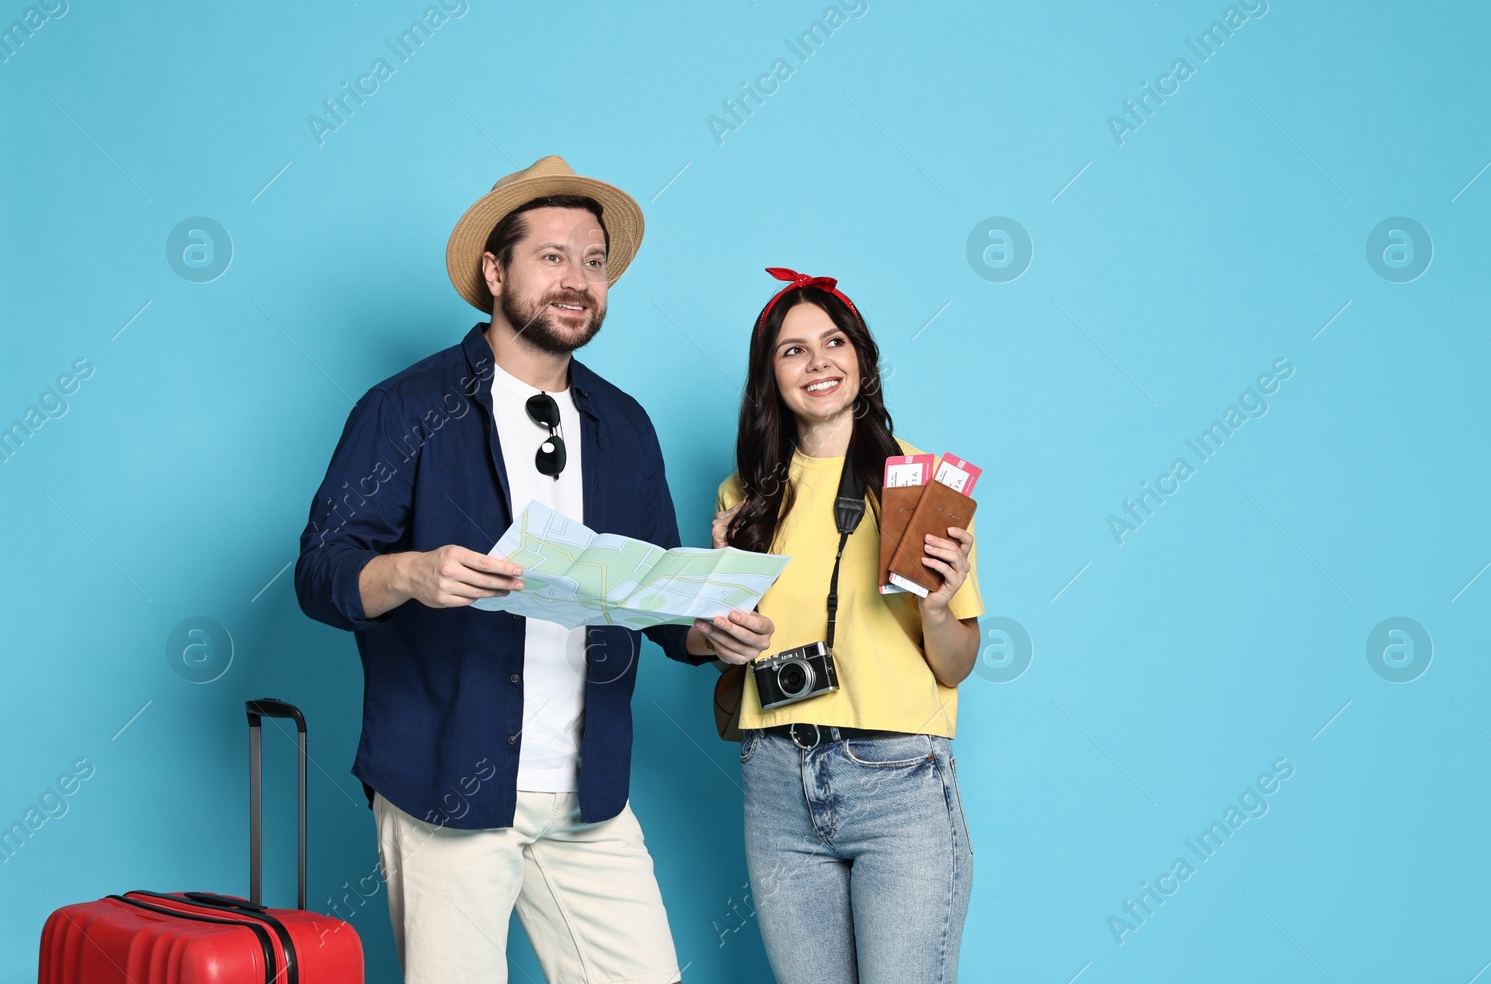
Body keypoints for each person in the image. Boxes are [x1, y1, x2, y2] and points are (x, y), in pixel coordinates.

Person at [294, 155, 768, 984]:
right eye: (552, 256)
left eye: (594, 261)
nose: (578, 279)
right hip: (446, 779)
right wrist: (409, 574)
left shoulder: (624, 424)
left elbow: (652, 596)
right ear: (494, 270)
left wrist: (712, 628)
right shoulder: (403, 408)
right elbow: (321, 572)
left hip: (588, 792)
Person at [703, 266, 985, 984]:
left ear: (862, 356)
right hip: (774, 777)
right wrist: (719, 605)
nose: (818, 361)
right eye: (793, 349)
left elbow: (954, 664)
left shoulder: (918, 481)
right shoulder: (743, 496)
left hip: (898, 780)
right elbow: (722, 650)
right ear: (770, 375)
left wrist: (935, 603)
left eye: (834, 341)